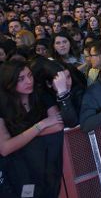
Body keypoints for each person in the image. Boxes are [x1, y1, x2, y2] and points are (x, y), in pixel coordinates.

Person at [0, 60, 64, 197]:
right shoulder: (3, 105)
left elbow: (57, 125)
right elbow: (5, 148)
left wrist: (20, 138)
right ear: (9, 82)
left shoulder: (40, 94)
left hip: (44, 162)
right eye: (21, 79)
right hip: (17, 168)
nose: (29, 81)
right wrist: (41, 125)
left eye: (30, 75)